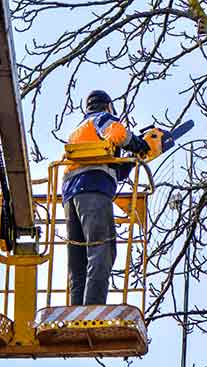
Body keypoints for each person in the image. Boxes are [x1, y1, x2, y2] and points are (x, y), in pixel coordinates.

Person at [62, 90, 150, 305]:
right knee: (102, 250)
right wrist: (139, 144)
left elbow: (113, 171)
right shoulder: (101, 120)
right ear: (108, 106)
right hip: (93, 190)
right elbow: (118, 133)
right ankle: (92, 308)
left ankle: (76, 310)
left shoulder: (78, 132)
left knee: (79, 259)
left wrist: (131, 160)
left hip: (71, 196)